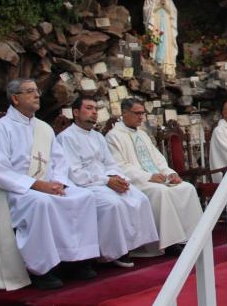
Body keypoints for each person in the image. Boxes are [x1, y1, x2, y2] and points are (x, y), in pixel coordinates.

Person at [0, 79, 99, 290]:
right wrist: (37, 185)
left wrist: (59, 183)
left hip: (46, 187)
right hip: (12, 190)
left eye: (37, 91)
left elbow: (60, 162)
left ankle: (75, 260)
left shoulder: (43, 128)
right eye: (30, 92)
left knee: (84, 197)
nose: (37, 95)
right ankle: (43, 270)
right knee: (41, 203)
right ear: (15, 98)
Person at [57, 97, 159, 268]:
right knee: (112, 204)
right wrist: (106, 180)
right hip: (87, 185)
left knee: (139, 197)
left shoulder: (98, 136)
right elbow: (74, 173)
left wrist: (118, 178)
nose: (94, 112)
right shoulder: (66, 138)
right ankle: (114, 252)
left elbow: (111, 163)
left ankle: (135, 245)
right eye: (89, 108)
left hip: (107, 180)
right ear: (75, 113)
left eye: (96, 109)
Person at [105, 98, 202, 253]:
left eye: (142, 113)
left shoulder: (142, 135)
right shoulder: (113, 136)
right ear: (124, 113)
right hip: (136, 182)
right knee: (160, 192)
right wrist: (148, 176)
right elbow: (120, 166)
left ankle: (192, 237)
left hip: (156, 178)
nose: (141, 117)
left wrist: (170, 173)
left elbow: (158, 159)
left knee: (187, 188)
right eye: (137, 113)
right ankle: (169, 243)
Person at [142, 0, 178, 77]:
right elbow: (146, 10)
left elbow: (173, 11)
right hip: (156, 22)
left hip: (166, 22)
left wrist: (165, 4)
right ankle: (156, 66)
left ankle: (167, 70)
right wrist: (158, 5)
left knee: (166, 42)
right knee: (156, 41)